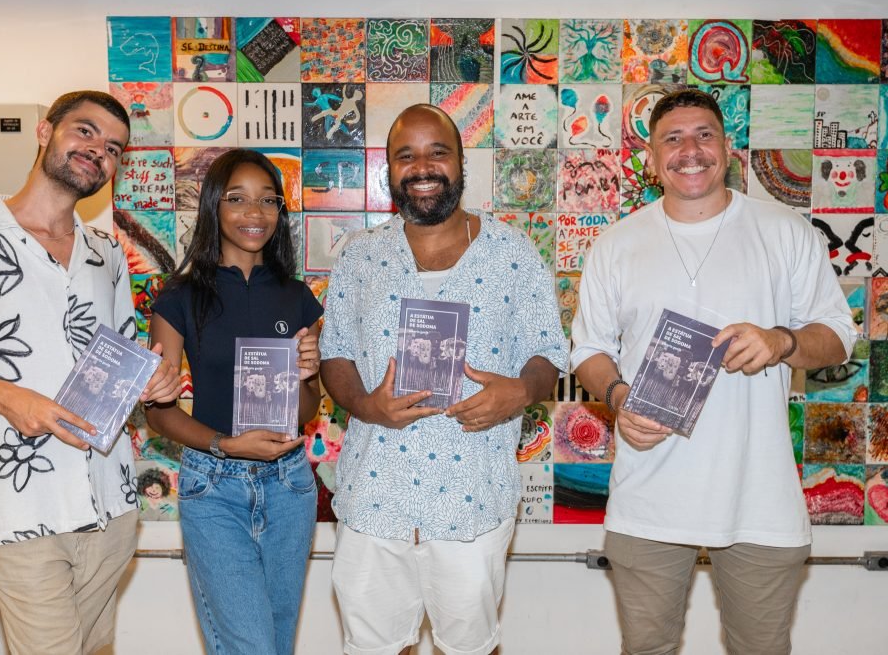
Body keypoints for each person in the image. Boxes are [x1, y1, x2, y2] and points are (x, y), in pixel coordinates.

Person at [0, 90, 181, 655]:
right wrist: (7, 398)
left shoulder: (106, 253)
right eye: (85, 132)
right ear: (46, 132)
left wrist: (151, 381)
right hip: (17, 502)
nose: (98, 151)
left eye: (114, 148)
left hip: (108, 502)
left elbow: (116, 361)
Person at [571, 89, 856, 655]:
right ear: (651, 160)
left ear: (728, 149)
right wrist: (620, 396)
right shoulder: (616, 244)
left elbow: (838, 337)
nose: (690, 150)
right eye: (672, 139)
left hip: (760, 499)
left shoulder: (785, 231)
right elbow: (588, 351)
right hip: (648, 498)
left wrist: (782, 342)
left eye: (704, 134)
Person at [319, 104, 568, 655]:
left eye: (438, 152)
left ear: (461, 163)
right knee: (370, 646)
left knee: (469, 647)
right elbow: (334, 354)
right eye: (405, 155)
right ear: (388, 170)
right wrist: (364, 404)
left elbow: (548, 353)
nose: (422, 166)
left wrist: (522, 391)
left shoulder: (513, 253)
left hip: (472, 498)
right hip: (374, 497)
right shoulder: (360, 257)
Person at [145, 148, 322, 655]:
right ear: (214, 207)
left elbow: (306, 411)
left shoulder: (297, 296)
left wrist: (308, 375)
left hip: (290, 487)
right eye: (239, 199)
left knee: (276, 643)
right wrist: (225, 444)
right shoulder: (179, 296)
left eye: (268, 200)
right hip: (214, 488)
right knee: (252, 647)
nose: (255, 213)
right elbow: (160, 414)